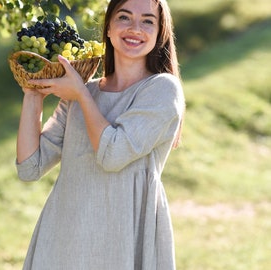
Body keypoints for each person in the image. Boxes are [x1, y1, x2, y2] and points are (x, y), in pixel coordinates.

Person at [16, 0, 185, 269]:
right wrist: (33, 93)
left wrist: (81, 95)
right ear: (108, 27)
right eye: (124, 17)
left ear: (160, 32)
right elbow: (29, 167)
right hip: (63, 237)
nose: (135, 28)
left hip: (122, 238)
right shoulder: (82, 91)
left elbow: (113, 154)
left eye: (148, 21)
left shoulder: (162, 89)